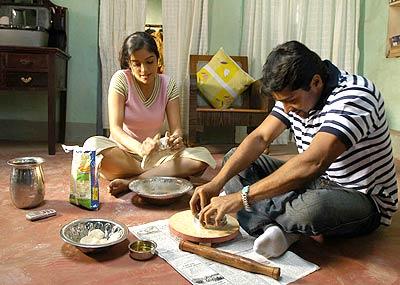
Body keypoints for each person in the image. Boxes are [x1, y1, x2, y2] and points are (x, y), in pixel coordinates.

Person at [190, 41, 398, 258]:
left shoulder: (355, 96)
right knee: (235, 160)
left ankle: (268, 221)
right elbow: (260, 138)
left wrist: (239, 198)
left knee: (312, 209)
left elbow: (313, 162)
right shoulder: (293, 91)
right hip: (314, 181)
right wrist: (216, 183)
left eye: (291, 101)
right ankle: (279, 229)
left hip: (362, 197)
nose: (287, 109)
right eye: (283, 102)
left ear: (316, 82)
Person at [84, 32, 216, 195]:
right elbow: (116, 130)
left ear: (157, 59)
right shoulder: (121, 79)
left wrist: (177, 139)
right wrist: (141, 149)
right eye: (136, 64)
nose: (144, 70)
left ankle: (132, 181)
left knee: (200, 158)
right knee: (92, 146)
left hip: (157, 155)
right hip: (123, 153)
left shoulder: (168, 84)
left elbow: (177, 129)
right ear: (128, 63)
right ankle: (161, 173)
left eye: (149, 62)